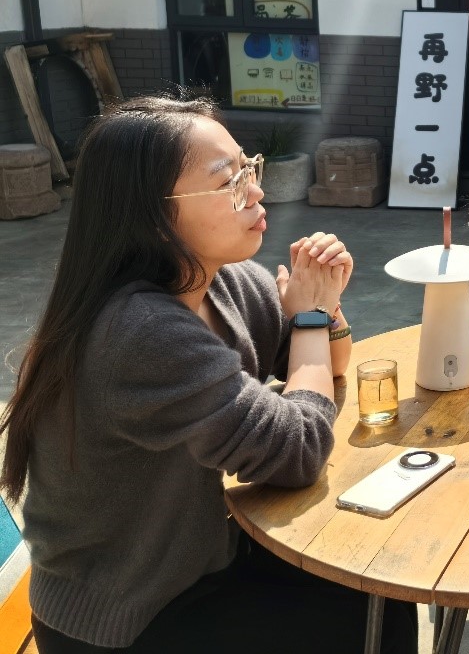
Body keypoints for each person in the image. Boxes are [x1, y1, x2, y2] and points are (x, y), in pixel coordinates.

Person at [0, 96, 418, 654]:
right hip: (129, 616)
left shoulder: (224, 283)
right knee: (370, 613)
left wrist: (325, 307)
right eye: (229, 182)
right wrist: (310, 318)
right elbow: (297, 449)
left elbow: (326, 366)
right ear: (152, 215)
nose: (257, 192)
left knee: (375, 587)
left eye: (250, 168)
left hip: (203, 564)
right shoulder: (140, 331)